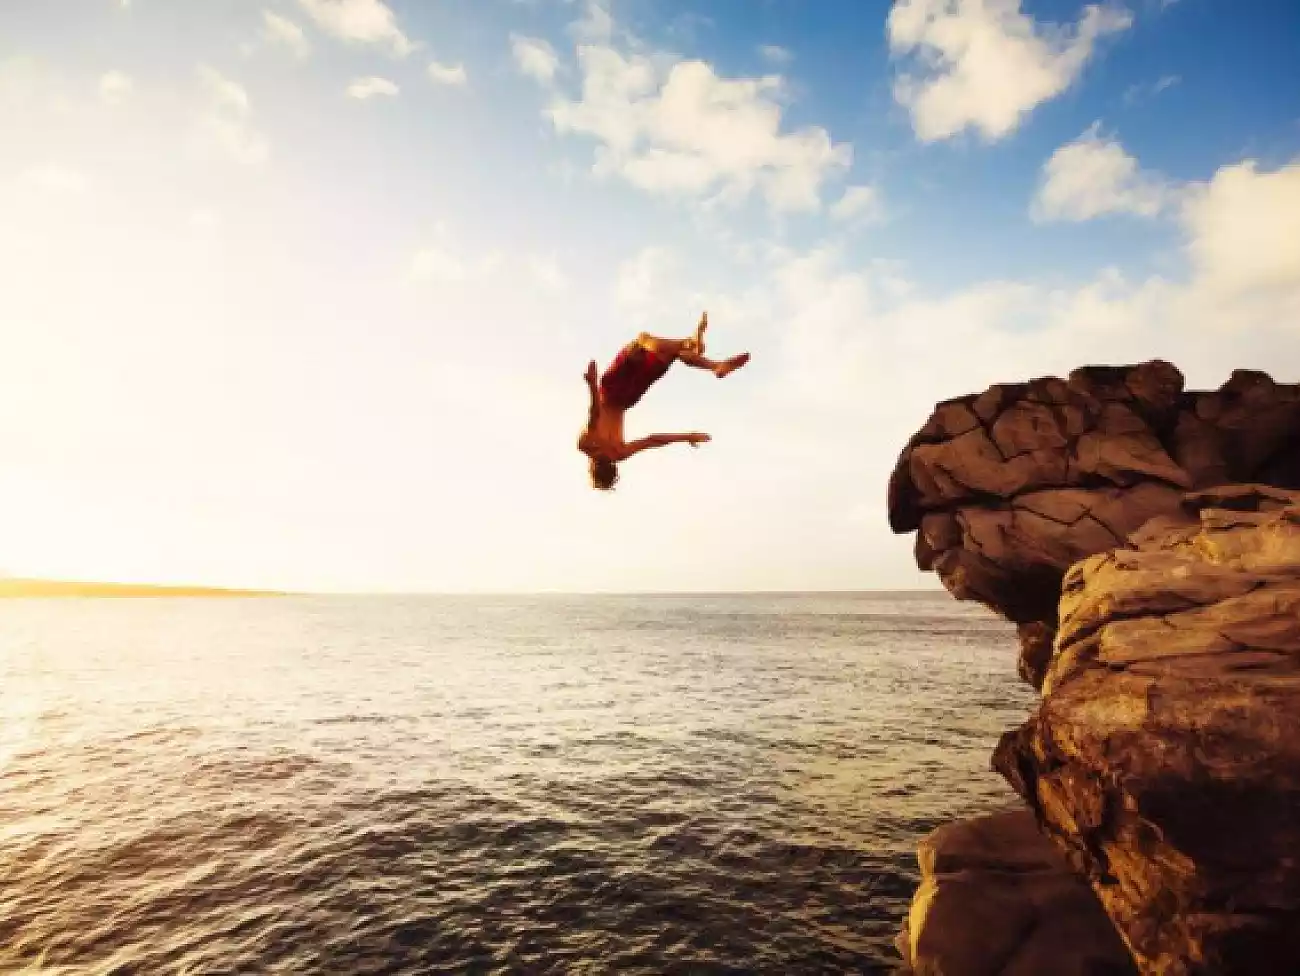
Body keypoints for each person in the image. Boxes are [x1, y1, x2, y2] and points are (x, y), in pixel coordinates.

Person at [578, 312, 750, 490]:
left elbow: (654, 440)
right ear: (591, 470)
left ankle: (712, 363)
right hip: (610, 389)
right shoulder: (586, 445)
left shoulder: (619, 453)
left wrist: (687, 436)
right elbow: (594, 413)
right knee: (641, 340)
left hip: (629, 398)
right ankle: (696, 349)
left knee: (671, 354)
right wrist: (591, 385)